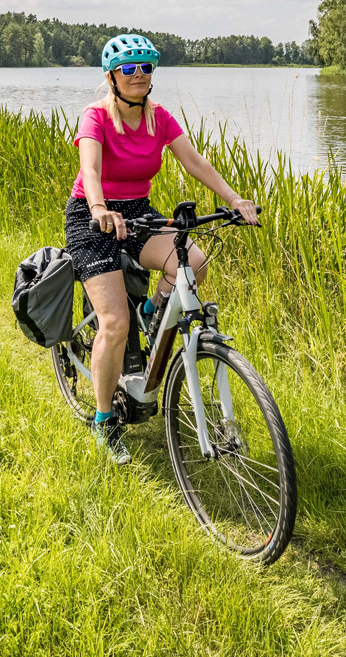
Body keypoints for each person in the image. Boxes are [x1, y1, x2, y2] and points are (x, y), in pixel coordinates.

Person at [66, 33, 259, 464]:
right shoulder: (96, 116)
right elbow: (90, 170)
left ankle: (153, 311)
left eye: (146, 67)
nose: (138, 75)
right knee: (115, 322)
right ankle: (104, 421)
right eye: (128, 68)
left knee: (193, 263)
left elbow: (195, 162)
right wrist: (98, 208)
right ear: (112, 77)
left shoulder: (159, 118)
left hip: (137, 212)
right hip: (92, 216)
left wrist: (234, 199)